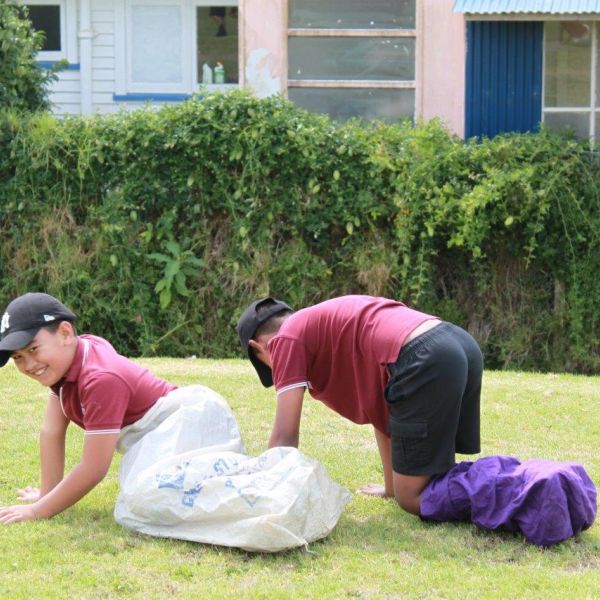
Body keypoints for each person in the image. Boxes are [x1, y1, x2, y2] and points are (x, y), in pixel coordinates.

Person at [236, 295, 483, 516]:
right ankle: (504, 482)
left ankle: (514, 489)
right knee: (422, 483)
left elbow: (284, 438)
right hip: (455, 342)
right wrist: (391, 488)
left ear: (258, 347)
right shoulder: (323, 325)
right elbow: (385, 410)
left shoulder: (286, 338)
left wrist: (260, 496)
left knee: (412, 497)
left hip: (425, 357)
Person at [0, 292, 182, 524]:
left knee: (150, 508)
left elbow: (94, 468)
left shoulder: (100, 378)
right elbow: (52, 432)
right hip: (161, 441)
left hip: (182, 428)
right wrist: (46, 496)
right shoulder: (68, 360)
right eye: (17, 357)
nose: (28, 364)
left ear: (65, 333)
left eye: (33, 349)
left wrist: (37, 511)